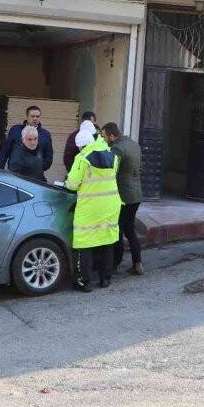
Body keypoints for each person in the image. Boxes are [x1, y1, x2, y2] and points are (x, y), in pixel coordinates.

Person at [65, 121, 121, 292]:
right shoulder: (112, 156)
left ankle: (84, 282)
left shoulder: (82, 158)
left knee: (84, 244)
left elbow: (72, 184)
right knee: (106, 241)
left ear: (80, 146)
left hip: (90, 208)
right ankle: (105, 279)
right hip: (111, 206)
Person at [101, 122, 143, 276]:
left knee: (117, 230)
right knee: (130, 229)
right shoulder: (134, 144)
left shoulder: (116, 148)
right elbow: (140, 168)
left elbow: (112, 171)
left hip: (123, 196)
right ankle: (137, 263)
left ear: (112, 136)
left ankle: (115, 264)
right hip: (136, 194)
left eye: (104, 137)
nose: (103, 139)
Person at [0, 105, 53, 173]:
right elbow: (4, 151)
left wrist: (38, 168)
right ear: (27, 116)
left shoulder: (45, 135)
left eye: (37, 116)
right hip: (15, 172)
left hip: (35, 174)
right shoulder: (15, 130)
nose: (35, 118)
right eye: (32, 116)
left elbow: (48, 157)